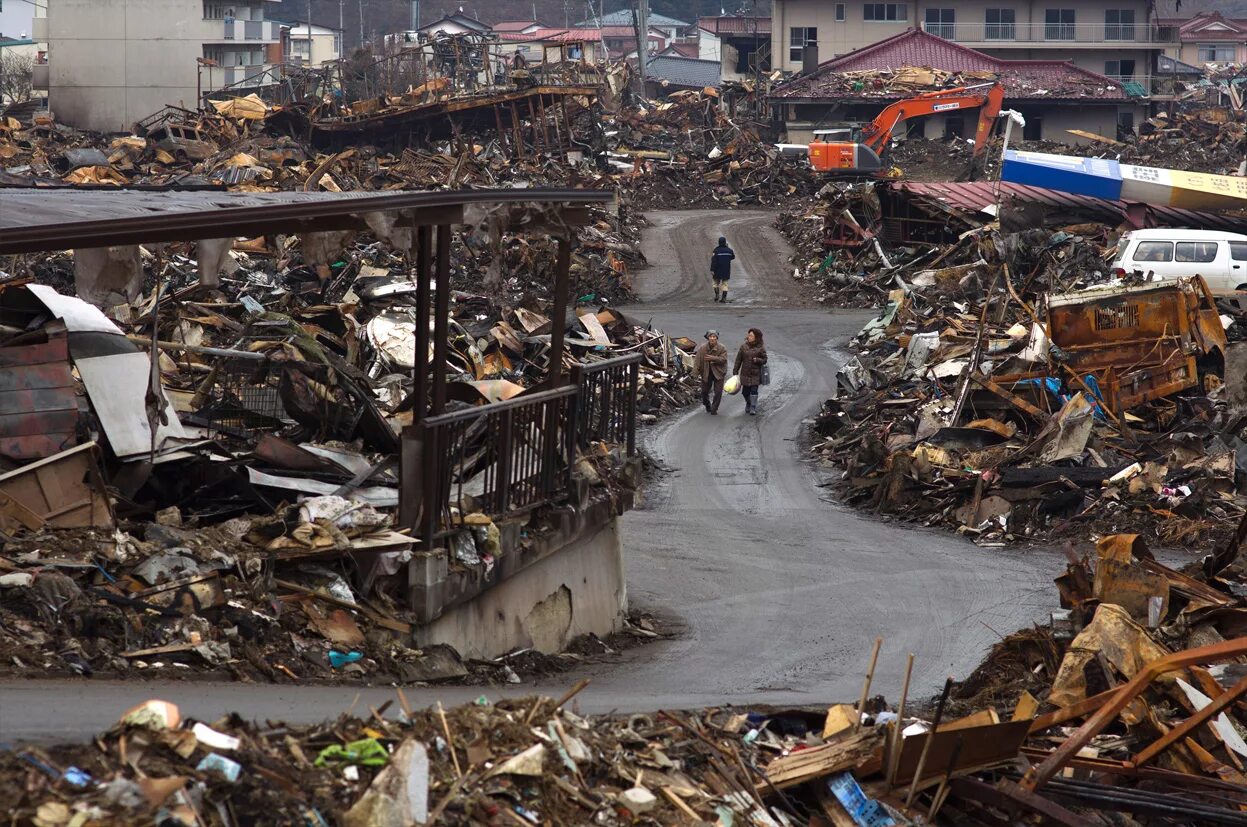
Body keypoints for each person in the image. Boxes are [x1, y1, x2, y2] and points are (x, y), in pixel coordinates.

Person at [733, 327, 768, 415]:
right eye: (748, 335)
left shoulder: (760, 348)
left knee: (754, 391)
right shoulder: (743, 347)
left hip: (755, 374)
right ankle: (748, 402)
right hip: (745, 373)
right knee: (745, 392)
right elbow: (738, 359)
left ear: (756, 337)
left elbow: (765, 359)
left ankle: (753, 406)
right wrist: (735, 371)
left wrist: (758, 360)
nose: (749, 336)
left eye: (751, 335)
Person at [694, 329, 728, 414]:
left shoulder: (722, 348)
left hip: (719, 372)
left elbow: (724, 360)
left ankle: (714, 409)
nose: (712, 338)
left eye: (714, 337)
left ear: (717, 338)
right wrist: (695, 372)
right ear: (708, 338)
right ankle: (707, 405)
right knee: (704, 392)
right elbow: (697, 361)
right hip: (706, 372)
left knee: (718, 392)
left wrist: (714, 358)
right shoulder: (702, 348)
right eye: (710, 336)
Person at [710, 236, 735, 303]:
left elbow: (714, 261)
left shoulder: (716, 250)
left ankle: (717, 295)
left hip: (717, 270)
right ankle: (724, 298)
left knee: (715, 283)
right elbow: (732, 257)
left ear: (719, 242)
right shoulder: (729, 250)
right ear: (725, 242)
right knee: (725, 284)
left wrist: (712, 270)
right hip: (726, 270)